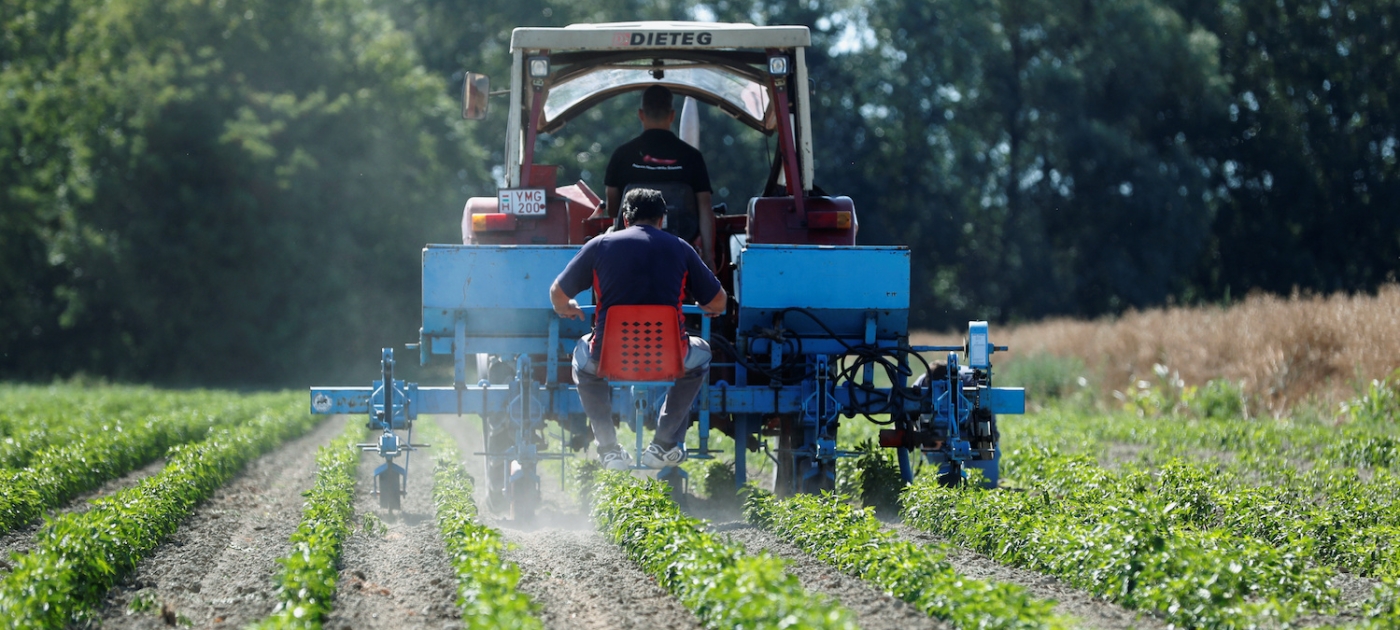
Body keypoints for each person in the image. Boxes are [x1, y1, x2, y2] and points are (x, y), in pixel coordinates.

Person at [550, 188, 727, 469]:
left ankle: (608, 448)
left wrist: (566, 307)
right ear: (662, 219)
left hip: (609, 358)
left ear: (625, 218)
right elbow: (719, 301)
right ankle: (664, 444)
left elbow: (557, 293)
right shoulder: (681, 248)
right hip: (669, 358)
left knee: (583, 364)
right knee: (701, 354)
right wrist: (707, 306)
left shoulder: (599, 245)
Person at [603, 85, 716, 271]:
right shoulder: (692, 157)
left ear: (641, 114)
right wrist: (708, 256)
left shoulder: (622, 155)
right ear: (672, 115)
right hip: (680, 251)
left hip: (631, 254)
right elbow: (704, 207)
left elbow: (613, 210)